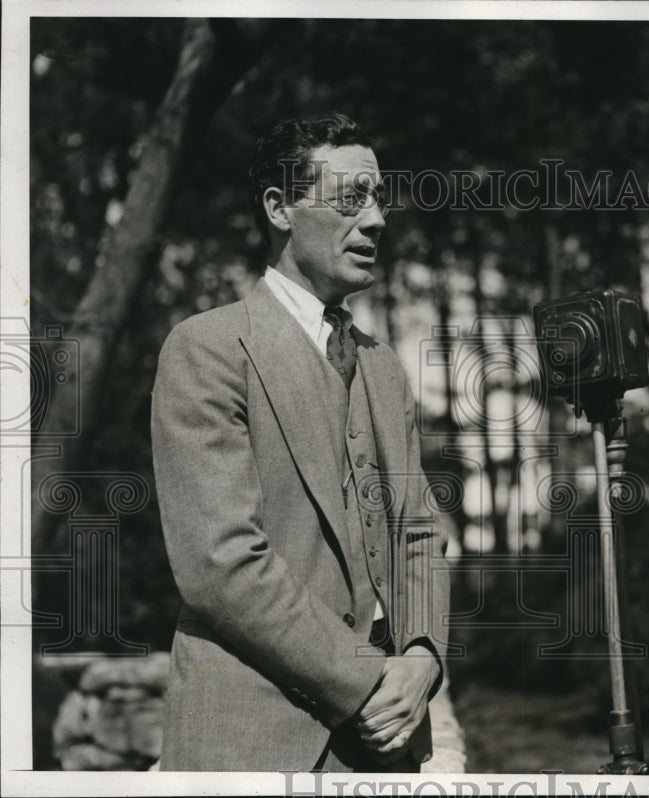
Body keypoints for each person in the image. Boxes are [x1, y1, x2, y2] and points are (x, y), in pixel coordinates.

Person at [151, 114, 449, 772]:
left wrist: (424, 658)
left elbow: (419, 534)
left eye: (378, 199)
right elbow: (220, 564)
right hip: (249, 745)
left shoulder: (382, 368)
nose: (375, 221)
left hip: (387, 743)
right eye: (350, 199)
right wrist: (369, 679)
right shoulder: (208, 348)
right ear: (280, 209)